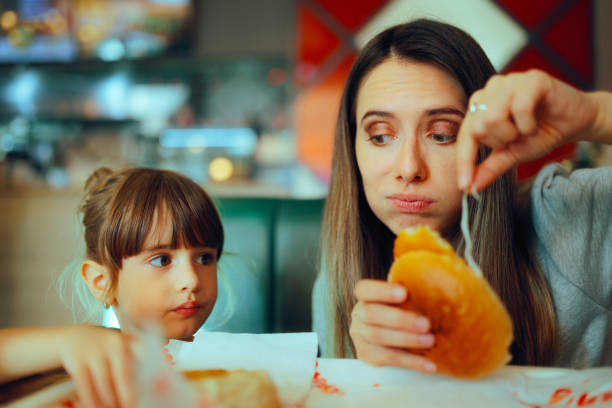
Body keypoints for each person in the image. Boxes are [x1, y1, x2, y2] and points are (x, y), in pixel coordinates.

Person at [312, 18, 612, 372]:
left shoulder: (567, 218)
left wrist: (595, 115)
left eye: (441, 134)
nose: (409, 169)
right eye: (380, 136)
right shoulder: (338, 283)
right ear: (353, 148)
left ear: (482, 141)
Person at [0, 167, 224, 407]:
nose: (191, 280)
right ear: (101, 282)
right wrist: (68, 341)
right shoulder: (91, 368)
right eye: (162, 260)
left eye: (204, 258)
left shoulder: (233, 367)